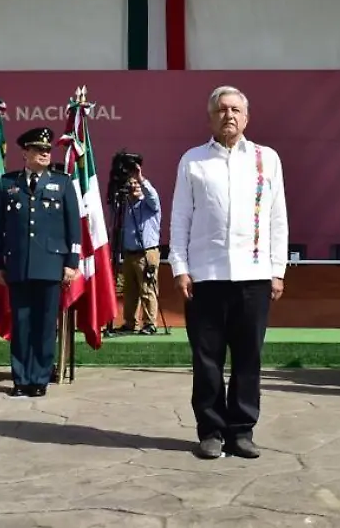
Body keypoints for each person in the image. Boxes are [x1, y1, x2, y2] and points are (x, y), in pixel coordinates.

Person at [170, 85, 288, 460]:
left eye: (236, 109)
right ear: (210, 117)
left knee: (248, 357)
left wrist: (278, 270)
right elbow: (180, 218)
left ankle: (241, 430)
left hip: (254, 275)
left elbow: (278, 218)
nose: (229, 116)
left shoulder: (266, 159)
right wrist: (179, 266)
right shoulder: (193, 160)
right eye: (221, 110)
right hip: (205, 276)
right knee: (206, 358)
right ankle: (210, 430)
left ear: (247, 117)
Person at [0, 127, 80, 398]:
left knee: (44, 324)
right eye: (38, 149)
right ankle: (21, 378)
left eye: (47, 150)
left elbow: (73, 227)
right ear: (25, 152)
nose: (44, 154)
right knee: (21, 323)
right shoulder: (8, 183)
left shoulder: (62, 183)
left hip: (51, 265)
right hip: (18, 265)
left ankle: (39, 377)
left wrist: (71, 263)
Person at [118, 161, 162, 335]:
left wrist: (141, 178)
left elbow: (152, 196)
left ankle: (150, 323)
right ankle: (130, 322)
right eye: (131, 184)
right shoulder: (126, 206)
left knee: (147, 289)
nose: (134, 186)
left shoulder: (149, 204)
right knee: (129, 291)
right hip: (129, 253)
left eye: (136, 184)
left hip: (146, 253)